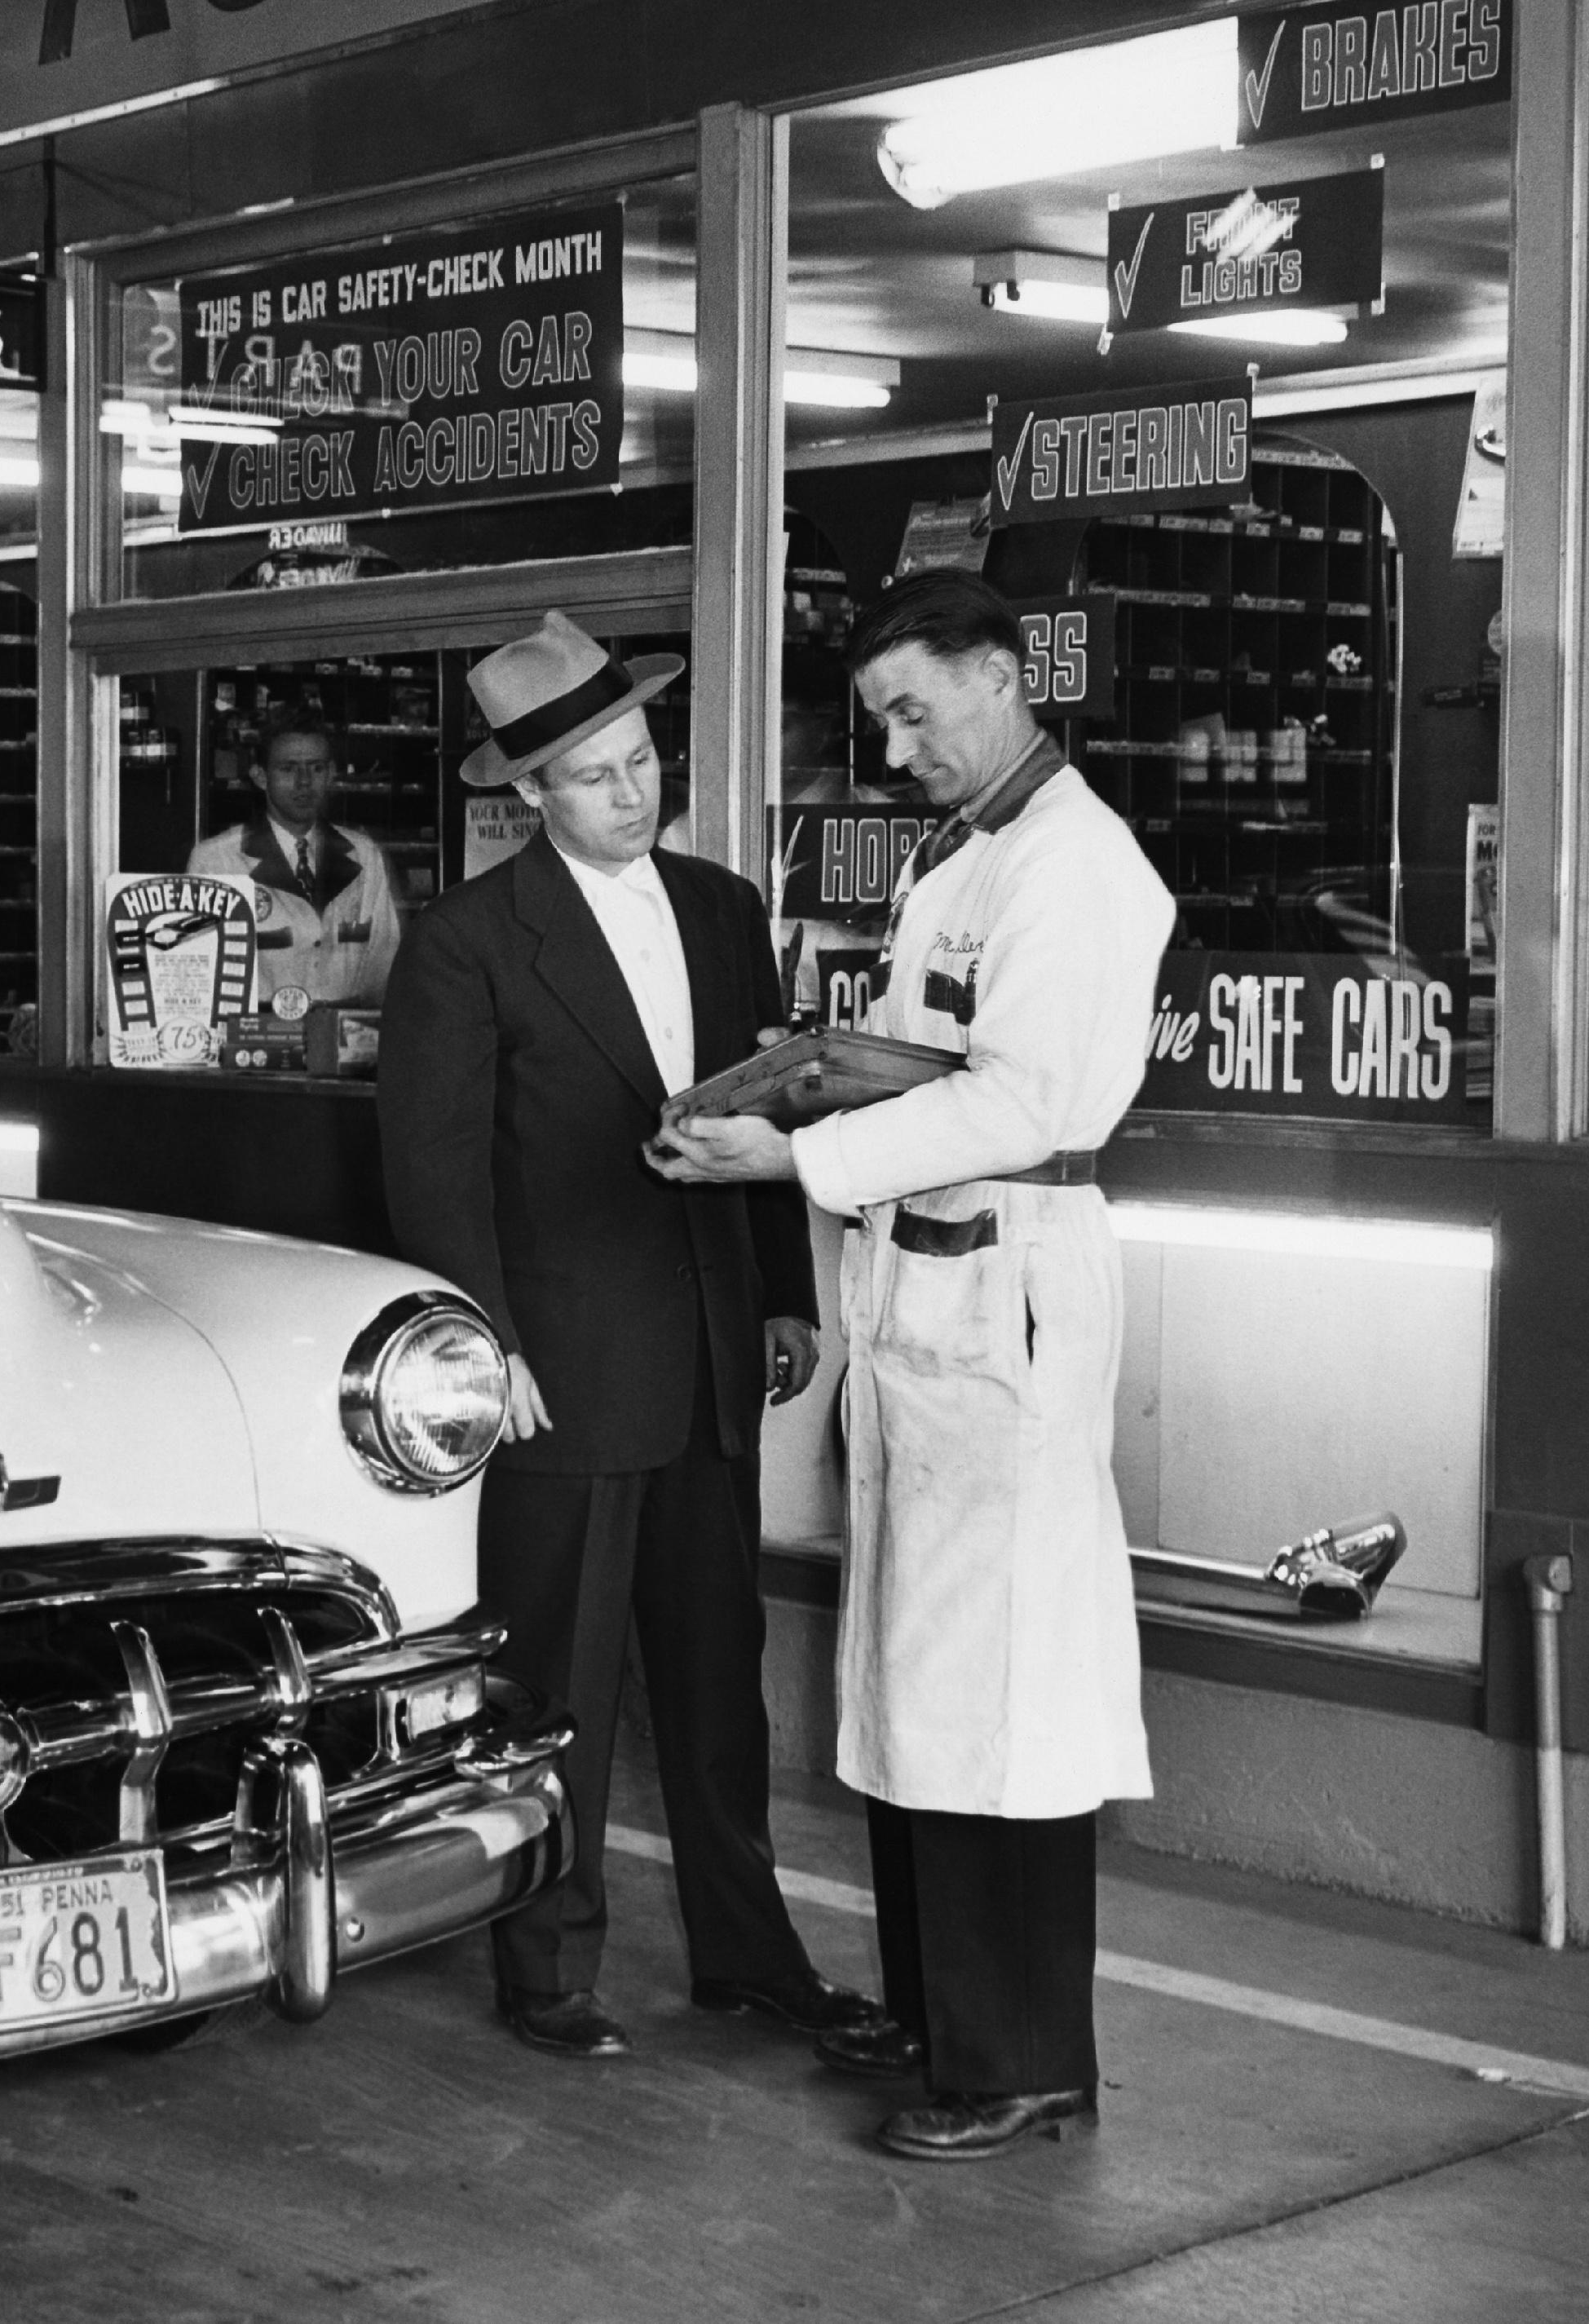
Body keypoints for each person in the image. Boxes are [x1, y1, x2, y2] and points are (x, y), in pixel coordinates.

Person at [649, 567, 1177, 2163]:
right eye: (875, 718)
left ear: (1005, 675)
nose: (894, 749)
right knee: (919, 1689)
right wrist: (821, 1082)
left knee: (1001, 1698)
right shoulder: (975, 859)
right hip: (930, 1299)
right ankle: (946, 2018)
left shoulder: (1074, 869)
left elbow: (1018, 1104)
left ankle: (1016, 2060)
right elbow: (936, 1062)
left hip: (1001, 1299)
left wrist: (792, 1156)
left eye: (912, 710)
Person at [380, 608, 878, 2063]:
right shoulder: (466, 944)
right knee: (563, 1690)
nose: (630, 789)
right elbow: (434, 1169)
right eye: (593, 774)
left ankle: (749, 1955)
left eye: (641, 758)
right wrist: (487, 1348)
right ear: (526, 795)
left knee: (717, 1688)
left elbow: (772, 1103)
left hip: (715, 1354)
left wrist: (782, 1290)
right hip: (563, 1370)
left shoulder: (723, 909)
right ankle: (547, 1968)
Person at [188, 707, 404, 1010]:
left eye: (315, 768)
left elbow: (385, 964)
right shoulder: (216, 860)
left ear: (330, 773)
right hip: (255, 1041)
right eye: (288, 769)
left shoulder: (364, 855)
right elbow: (200, 973)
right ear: (260, 776)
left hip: (344, 1041)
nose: (304, 782)